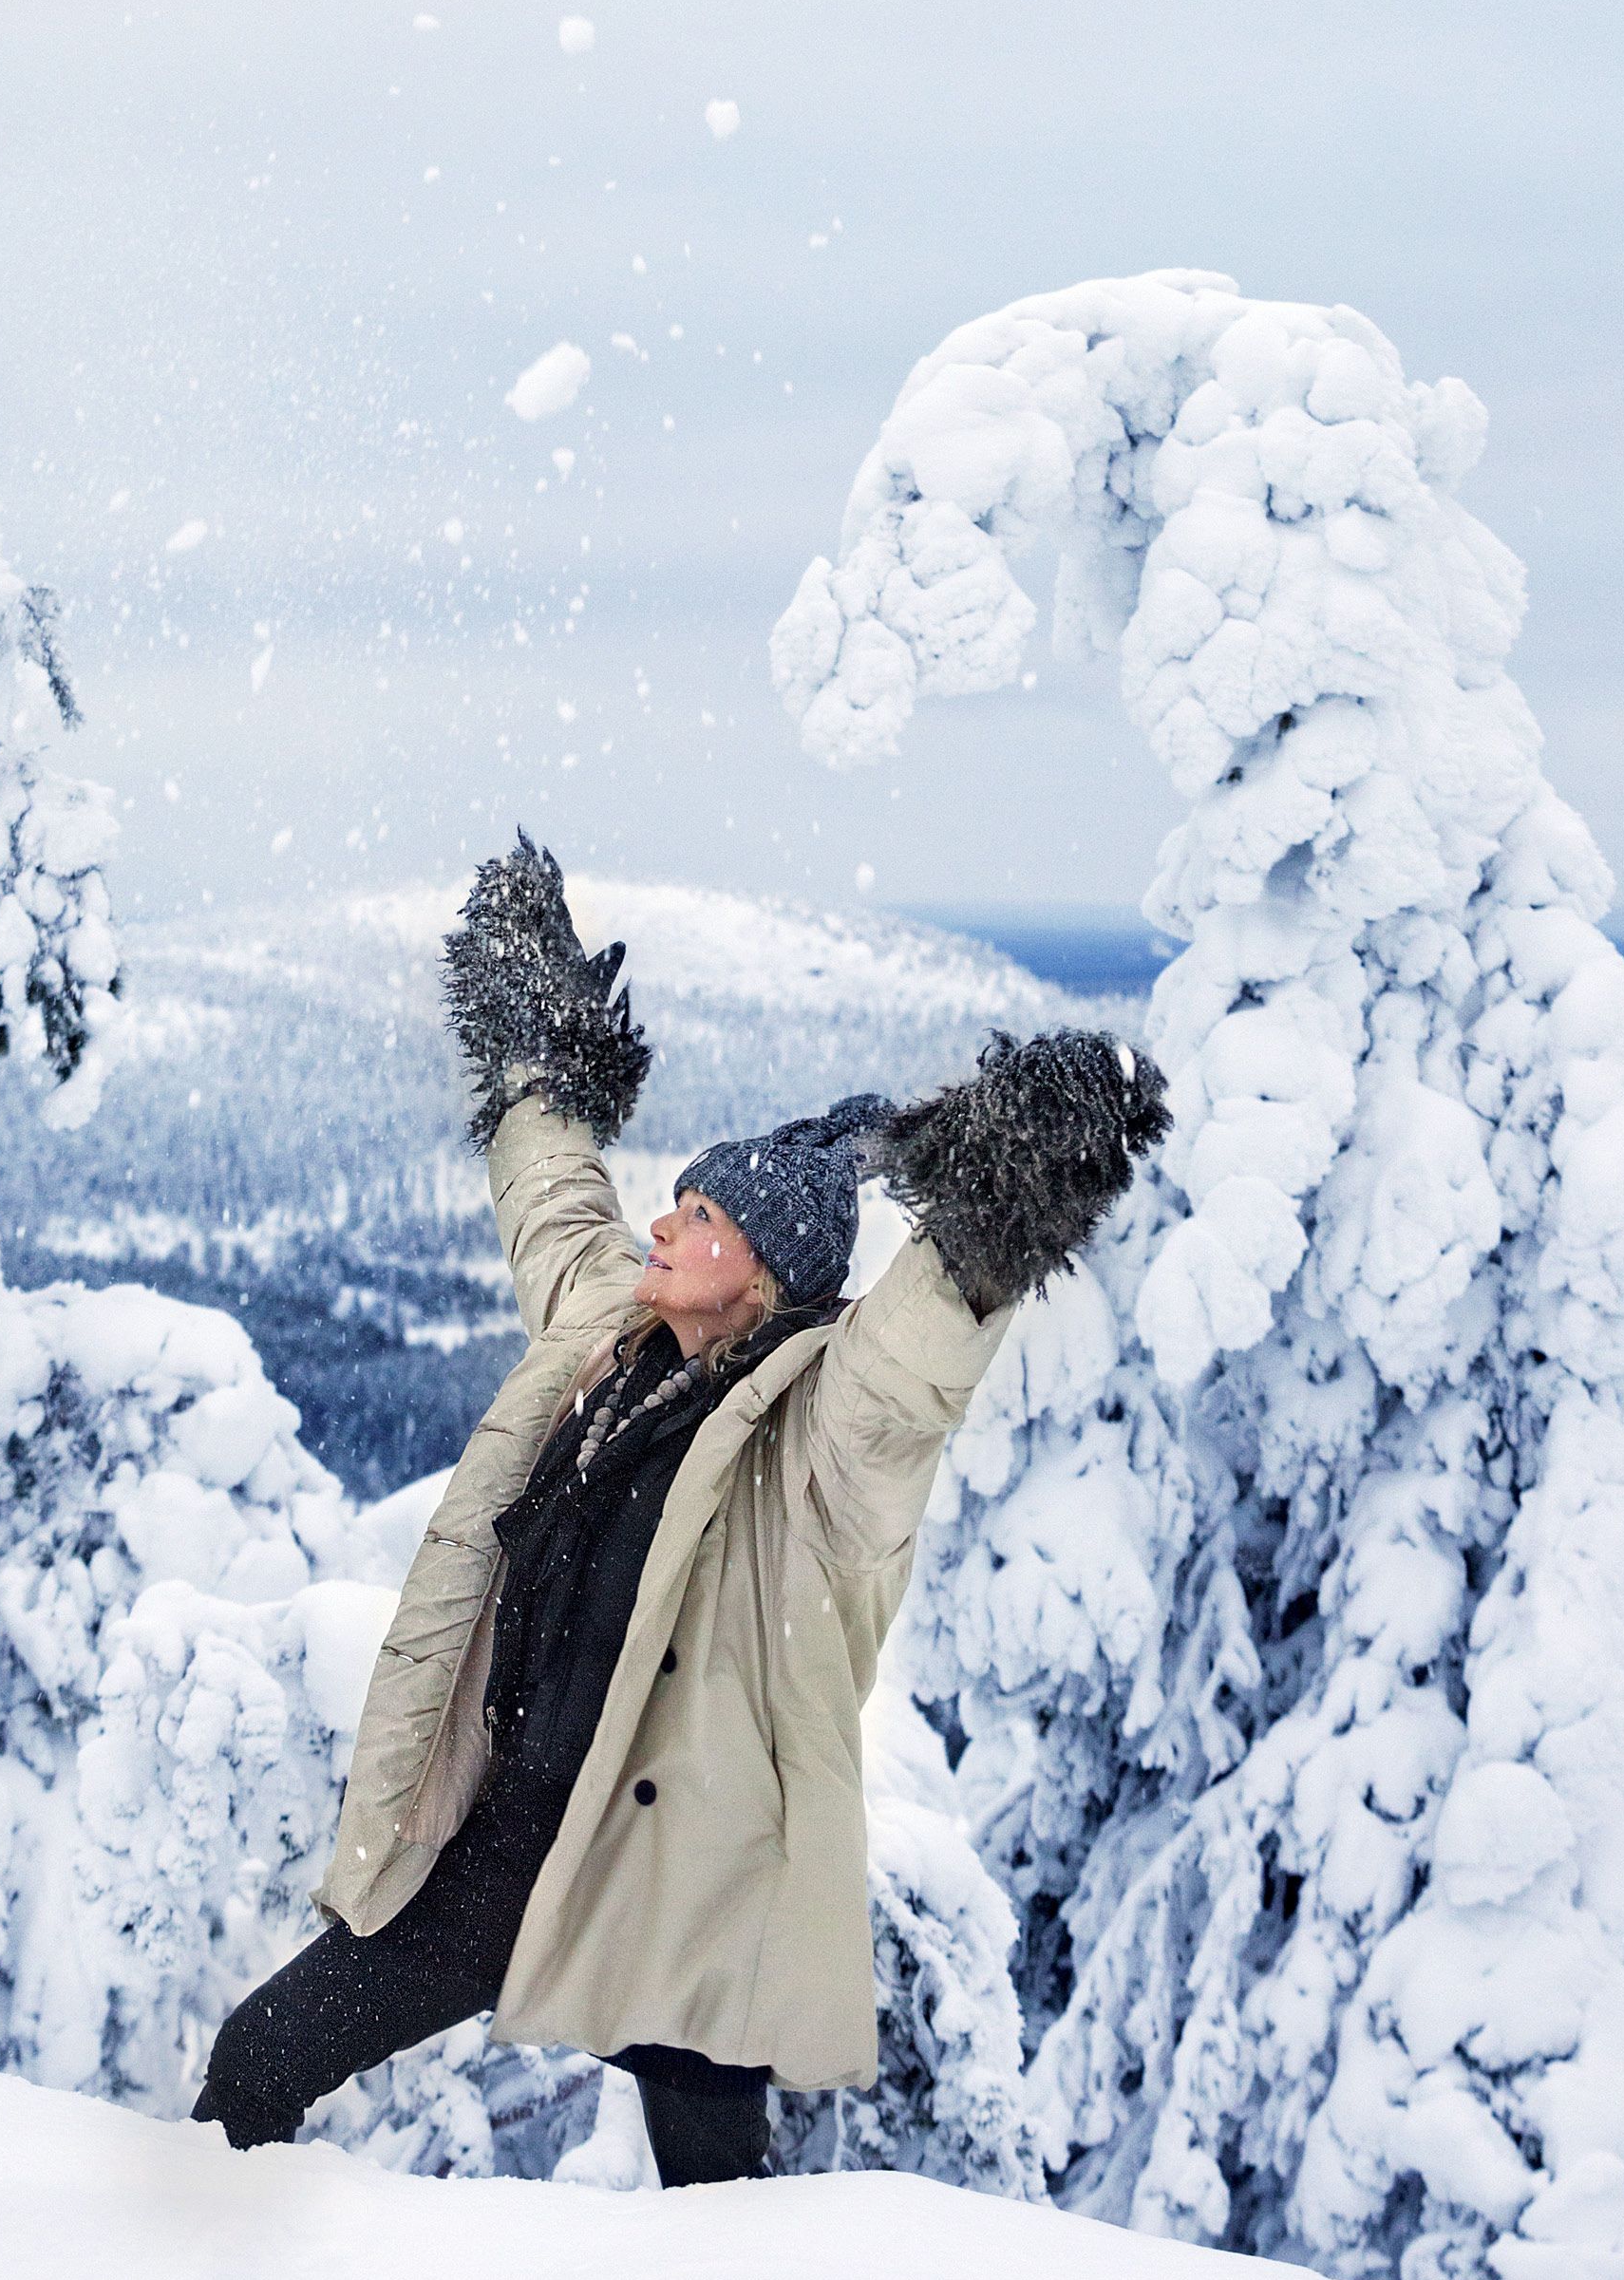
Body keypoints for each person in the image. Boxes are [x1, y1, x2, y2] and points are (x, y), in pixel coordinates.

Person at [193, 833, 1167, 2185]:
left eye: (701, 1214)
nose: (666, 1218)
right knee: (257, 2062)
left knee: (725, 2220)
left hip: (672, 1889)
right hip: (502, 1853)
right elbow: (557, 1202)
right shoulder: (609, 1335)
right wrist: (538, 1056)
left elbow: (903, 1374)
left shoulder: (811, 1441)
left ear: (762, 1276)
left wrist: (992, 1211)